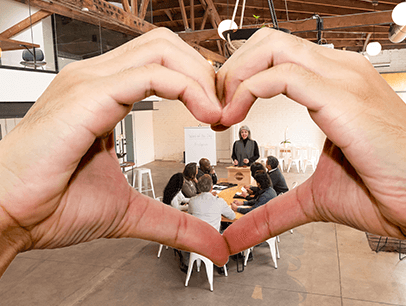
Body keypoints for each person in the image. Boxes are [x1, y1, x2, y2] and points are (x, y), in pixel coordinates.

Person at [0, 27, 405, 278]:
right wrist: (9, 217)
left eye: (245, 129)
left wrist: (8, 219)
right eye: (242, 129)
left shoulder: (197, 185)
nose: (243, 131)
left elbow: (249, 155)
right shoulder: (232, 156)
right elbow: (237, 159)